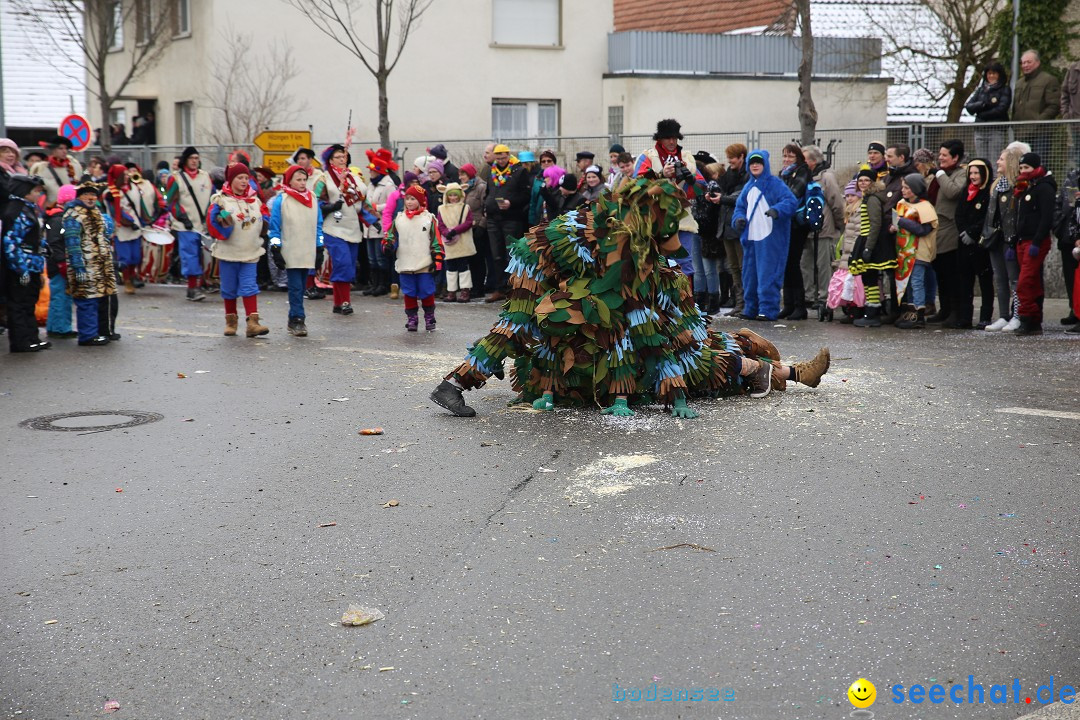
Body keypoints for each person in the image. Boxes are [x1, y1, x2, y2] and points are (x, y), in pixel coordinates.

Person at [427, 175, 831, 419]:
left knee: (685, 345)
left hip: (592, 336)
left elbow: (644, 317)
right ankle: (780, 372)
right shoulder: (616, 249)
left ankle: (779, 370)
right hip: (570, 324)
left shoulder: (635, 249)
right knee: (518, 323)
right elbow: (640, 321)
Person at [732, 150, 798, 321]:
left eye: (758, 162)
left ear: (765, 165)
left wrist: (777, 210)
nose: (755, 165)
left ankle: (768, 309)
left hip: (770, 239)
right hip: (751, 239)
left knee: (768, 274)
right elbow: (739, 208)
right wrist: (738, 220)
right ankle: (751, 307)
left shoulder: (775, 184)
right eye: (752, 162)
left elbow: (791, 202)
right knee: (749, 275)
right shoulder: (748, 187)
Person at [634, 119, 702, 285]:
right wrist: (660, 174)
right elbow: (636, 186)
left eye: (675, 138)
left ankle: (685, 305)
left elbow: (701, 191)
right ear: (660, 139)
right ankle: (661, 306)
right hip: (655, 221)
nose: (672, 142)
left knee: (684, 264)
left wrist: (690, 179)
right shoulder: (648, 157)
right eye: (667, 138)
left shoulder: (687, 158)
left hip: (682, 221)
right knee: (657, 263)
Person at [207, 163, 270, 337]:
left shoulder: (255, 200)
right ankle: (231, 322)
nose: (244, 181)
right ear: (231, 179)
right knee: (229, 288)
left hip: (251, 251)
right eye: (239, 178)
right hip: (228, 253)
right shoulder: (220, 200)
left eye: (246, 178)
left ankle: (253, 323)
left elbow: (264, 219)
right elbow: (212, 224)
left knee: (250, 287)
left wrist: (265, 221)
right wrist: (221, 221)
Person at [319, 144, 376, 315]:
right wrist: (328, 207)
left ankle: (337, 303)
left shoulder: (354, 177)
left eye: (344, 156)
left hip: (352, 228)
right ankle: (345, 301)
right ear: (330, 160)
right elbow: (315, 201)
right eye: (337, 157)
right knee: (342, 263)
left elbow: (362, 203)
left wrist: (373, 219)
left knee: (349, 266)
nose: (342, 160)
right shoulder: (324, 178)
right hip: (333, 228)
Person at [268, 165, 324, 337]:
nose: (302, 183)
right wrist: (275, 248)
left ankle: (293, 318)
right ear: (289, 180)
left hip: (307, 250)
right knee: (296, 287)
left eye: (304, 180)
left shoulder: (313, 198)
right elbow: (275, 227)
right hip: (290, 249)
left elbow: (318, 225)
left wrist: (319, 247)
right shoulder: (282, 200)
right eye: (298, 180)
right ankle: (298, 319)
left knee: (302, 285)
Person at [63, 181, 116, 346]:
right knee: (86, 300)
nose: (91, 198)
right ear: (80, 196)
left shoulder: (96, 212)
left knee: (98, 299)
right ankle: (87, 336)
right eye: (87, 194)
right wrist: (78, 266)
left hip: (99, 266)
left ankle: (96, 332)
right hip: (85, 265)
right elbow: (72, 243)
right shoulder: (73, 215)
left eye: (93, 195)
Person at [384, 185, 444, 331]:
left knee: (426, 290)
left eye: (413, 199)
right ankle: (412, 319)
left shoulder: (429, 219)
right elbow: (390, 235)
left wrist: (437, 260)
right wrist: (388, 245)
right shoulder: (399, 219)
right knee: (409, 292)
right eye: (407, 199)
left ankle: (429, 317)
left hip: (424, 263)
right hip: (405, 262)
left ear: (421, 200)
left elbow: (436, 240)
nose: (409, 202)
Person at [1011, 152, 1057, 335]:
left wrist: (1038, 240)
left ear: (1036, 168)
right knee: (1032, 282)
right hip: (1023, 240)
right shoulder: (1025, 188)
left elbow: (1046, 217)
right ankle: (1034, 320)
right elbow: (1020, 217)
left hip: (1035, 241)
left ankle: (1027, 316)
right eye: (1021, 168)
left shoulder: (1044, 188)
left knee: (1024, 282)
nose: (1023, 171)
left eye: (1027, 168)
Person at [3, 174, 49, 352]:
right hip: (23, 266)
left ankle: (32, 337)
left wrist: (44, 248)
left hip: (33, 264)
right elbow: (11, 242)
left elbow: (34, 238)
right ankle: (21, 341)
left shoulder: (29, 209)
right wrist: (21, 269)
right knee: (19, 304)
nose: (38, 194)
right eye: (35, 191)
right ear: (24, 192)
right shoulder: (16, 211)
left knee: (30, 302)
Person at [982, 147, 1024, 332]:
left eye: (1001, 159)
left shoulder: (1018, 186)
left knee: (1014, 279)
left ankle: (1017, 315)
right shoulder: (996, 186)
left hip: (1010, 239)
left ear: (1011, 162)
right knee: (999, 278)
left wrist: (1014, 238)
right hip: (995, 238)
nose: (997, 162)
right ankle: (1003, 316)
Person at [164, 146, 212, 301]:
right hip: (186, 225)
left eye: (197, 158)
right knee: (190, 256)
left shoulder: (205, 177)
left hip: (203, 225)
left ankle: (204, 283)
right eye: (191, 158)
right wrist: (183, 218)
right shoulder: (175, 178)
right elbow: (171, 202)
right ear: (185, 160)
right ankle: (192, 288)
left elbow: (212, 198)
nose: (194, 161)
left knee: (204, 256)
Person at [484, 144, 530, 303]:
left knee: (511, 255)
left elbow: (526, 195)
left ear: (509, 156)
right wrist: (486, 204)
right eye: (498, 158)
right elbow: (488, 192)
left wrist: (512, 203)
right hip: (493, 218)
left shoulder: (519, 171)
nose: (501, 161)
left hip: (512, 218)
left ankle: (513, 288)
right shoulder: (492, 171)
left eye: (504, 158)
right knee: (496, 256)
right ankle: (499, 288)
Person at [893, 174, 939, 330]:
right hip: (904, 252)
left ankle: (919, 314)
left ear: (916, 189)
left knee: (917, 283)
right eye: (903, 187)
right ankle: (910, 312)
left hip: (919, 252)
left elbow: (922, 230)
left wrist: (900, 221)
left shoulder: (926, 207)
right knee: (908, 285)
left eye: (907, 187)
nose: (903, 190)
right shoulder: (901, 204)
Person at [802, 145, 845, 310]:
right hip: (808, 229)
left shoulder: (826, 177)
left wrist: (839, 225)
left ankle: (824, 297)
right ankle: (809, 295)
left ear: (813, 161)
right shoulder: (806, 176)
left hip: (824, 229)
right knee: (806, 265)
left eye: (804, 158)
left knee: (824, 265)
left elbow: (836, 203)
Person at [849, 170, 894, 327]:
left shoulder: (873, 198)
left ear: (873, 182)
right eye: (860, 180)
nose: (862, 183)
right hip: (866, 239)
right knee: (867, 278)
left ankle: (872, 313)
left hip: (872, 242)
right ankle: (870, 309)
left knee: (870, 277)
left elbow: (875, 224)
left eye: (866, 180)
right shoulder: (867, 198)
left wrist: (868, 248)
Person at [928, 140, 966, 325]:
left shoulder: (961, 173)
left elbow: (953, 192)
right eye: (940, 154)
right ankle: (944, 309)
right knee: (940, 273)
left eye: (944, 155)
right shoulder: (940, 175)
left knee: (952, 274)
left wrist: (940, 174)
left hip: (950, 229)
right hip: (936, 229)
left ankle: (955, 312)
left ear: (955, 157)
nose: (940, 158)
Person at [953, 159, 993, 328]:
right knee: (964, 280)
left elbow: (987, 216)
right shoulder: (966, 191)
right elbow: (959, 214)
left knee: (984, 280)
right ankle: (965, 317)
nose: (973, 176)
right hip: (964, 242)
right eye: (971, 173)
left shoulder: (988, 192)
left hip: (981, 243)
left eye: (977, 173)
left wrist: (973, 232)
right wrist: (964, 231)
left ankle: (985, 316)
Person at [778, 143, 812, 319]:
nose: (786, 159)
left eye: (790, 156)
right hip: (785, 223)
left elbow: (792, 195)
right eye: (784, 156)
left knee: (793, 263)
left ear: (797, 158)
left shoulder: (802, 171)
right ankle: (789, 305)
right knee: (786, 264)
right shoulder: (783, 173)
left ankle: (800, 306)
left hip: (798, 224)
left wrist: (777, 202)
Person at [717, 143, 749, 316]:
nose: (730, 161)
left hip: (739, 226)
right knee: (733, 266)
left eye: (732, 157)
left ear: (742, 157)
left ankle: (746, 303)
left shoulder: (747, 176)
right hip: (726, 226)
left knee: (743, 266)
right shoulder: (728, 175)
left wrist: (721, 199)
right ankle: (739, 303)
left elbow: (739, 198)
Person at [1012, 50, 1061, 161]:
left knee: (1039, 165)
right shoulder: (1019, 83)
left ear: (1037, 63)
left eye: (1028, 62)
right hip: (1021, 134)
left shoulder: (1048, 80)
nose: (1025, 65)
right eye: (1023, 63)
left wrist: (1038, 121)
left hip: (1040, 133)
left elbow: (1054, 105)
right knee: (1021, 167)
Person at [362, 148, 399, 298]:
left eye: (372, 171)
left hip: (381, 224)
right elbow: (366, 201)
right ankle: (374, 283)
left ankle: (383, 284)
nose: (370, 173)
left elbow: (394, 203)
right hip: (369, 224)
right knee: (371, 258)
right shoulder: (371, 185)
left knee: (380, 257)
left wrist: (378, 208)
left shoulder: (389, 185)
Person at [691, 156, 724, 313]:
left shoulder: (711, 185)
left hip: (708, 233)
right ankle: (699, 301)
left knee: (709, 269)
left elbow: (714, 210)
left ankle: (713, 301)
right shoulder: (690, 187)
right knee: (697, 269)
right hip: (694, 230)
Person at [45, 184, 78, 338]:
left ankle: (56, 326)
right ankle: (60, 328)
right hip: (59, 264)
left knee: (62, 296)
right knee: (61, 296)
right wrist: (61, 262)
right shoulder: (58, 219)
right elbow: (55, 243)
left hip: (60, 262)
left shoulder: (60, 217)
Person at [965, 62, 1012, 161]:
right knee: (981, 162)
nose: (991, 76)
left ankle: (996, 177)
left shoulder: (1005, 89)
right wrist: (982, 104)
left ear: (999, 74)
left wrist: (981, 113)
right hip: (980, 130)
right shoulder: (981, 90)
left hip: (996, 130)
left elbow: (1001, 109)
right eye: (989, 73)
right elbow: (969, 106)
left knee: (995, 162)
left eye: (994, 73)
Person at [436, 183, 475, 302]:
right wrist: (445, 232)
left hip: (462, 242)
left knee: (463, 266)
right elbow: (440, 223)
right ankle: (451, 291)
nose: (453, 198)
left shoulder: (465, 207)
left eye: (455, 195)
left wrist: (454, 230)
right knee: (450, 267)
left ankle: (465, 290)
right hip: (449, 242)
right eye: (450, 195)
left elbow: (468, 222)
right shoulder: (441, 209)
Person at [458, 162, 489, 297]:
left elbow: (486, 208)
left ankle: (479, 287)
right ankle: (471, 286)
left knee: (478, 259)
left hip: (478, 228)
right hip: (466, 228)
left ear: (470, 174)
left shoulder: (481, 187)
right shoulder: (463, 189)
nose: (461, 177)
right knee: (469, 260)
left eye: (463, 174)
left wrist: (481, 226)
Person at [30, 136, 83, 209]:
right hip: (52, 209)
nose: (64, 151)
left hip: (73, 208)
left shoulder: (74, 166)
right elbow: (37, 191)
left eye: (66, 148)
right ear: (53, 150)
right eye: (60, 148)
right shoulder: (41, 168)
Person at [1063, 59, 1080, 167]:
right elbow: (1064, 93)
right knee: (1076, 159)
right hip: (1075, 124)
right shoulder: (1073, 69)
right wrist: (1065, 113)